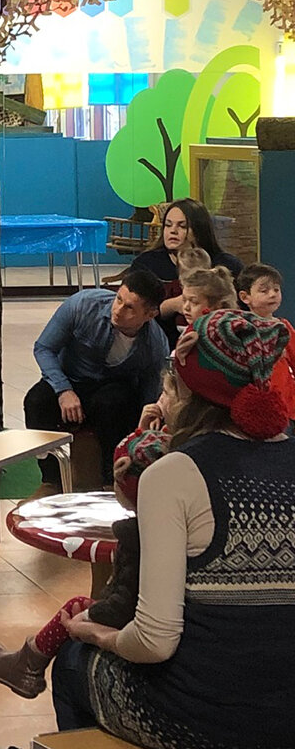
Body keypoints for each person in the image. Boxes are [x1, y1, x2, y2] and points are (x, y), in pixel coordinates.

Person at [51, 308, 294, 749]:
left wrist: (96, 634)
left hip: (207, 721)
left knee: (71, 659)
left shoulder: (175, 473)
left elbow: (154, 640)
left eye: (169, 386)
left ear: (187, 391)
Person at [0, 371, 177, 698]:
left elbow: (125, 607)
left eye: (167, 393)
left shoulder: (140, 534)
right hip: (166, 623)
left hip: (145, 633)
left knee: (76, 618)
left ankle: (30, 664)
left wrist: (90, 622)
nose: (160, 399)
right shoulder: (180, 453)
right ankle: (28, 660)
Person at [23, 270, 168, 492]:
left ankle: (112, 482)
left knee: (115, 404)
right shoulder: (83, 305)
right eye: (118, 299)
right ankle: (51, 480)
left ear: (149, 315)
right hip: (71, 378)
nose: (118, 310)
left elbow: (149, 392)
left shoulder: (155, 344)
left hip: (112, 389)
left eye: (130, 308)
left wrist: (147, 421)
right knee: (36, 401)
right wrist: (63, 390)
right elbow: (44, 348)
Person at [131, 198, 244, 348]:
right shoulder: (146, 264)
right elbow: (132, 311)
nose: (173, 231)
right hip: (160, 346)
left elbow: (243, 310)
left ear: (199, 230)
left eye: (182, 226)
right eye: (168, 225)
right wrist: (171, 305)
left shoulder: (228, 265)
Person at [237, 262, 295, 419]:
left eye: (276, 289)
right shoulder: (241, 329)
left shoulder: (284, 327)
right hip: (258, 404)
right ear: (245, 297)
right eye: (264, 291)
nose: (272, 294)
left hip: (287, 405)